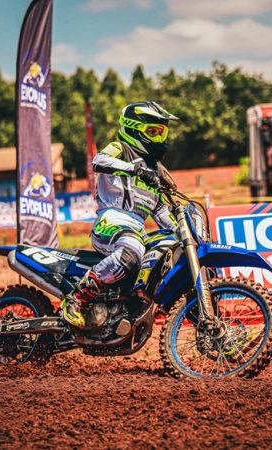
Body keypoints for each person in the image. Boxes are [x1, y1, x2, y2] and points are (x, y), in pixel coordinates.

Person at [61, 101, 179, 328]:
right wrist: (135, 169)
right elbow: (99, 161)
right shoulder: (121, 149)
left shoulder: (153, 171)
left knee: (162, 252)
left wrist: (182, 231)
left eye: (161, 133)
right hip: (111, 222)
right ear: (134, 129)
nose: (158, 139)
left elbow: (160, 211)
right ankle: (77, 298)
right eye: (152, 132)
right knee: (132, 251)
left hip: (136, 230)